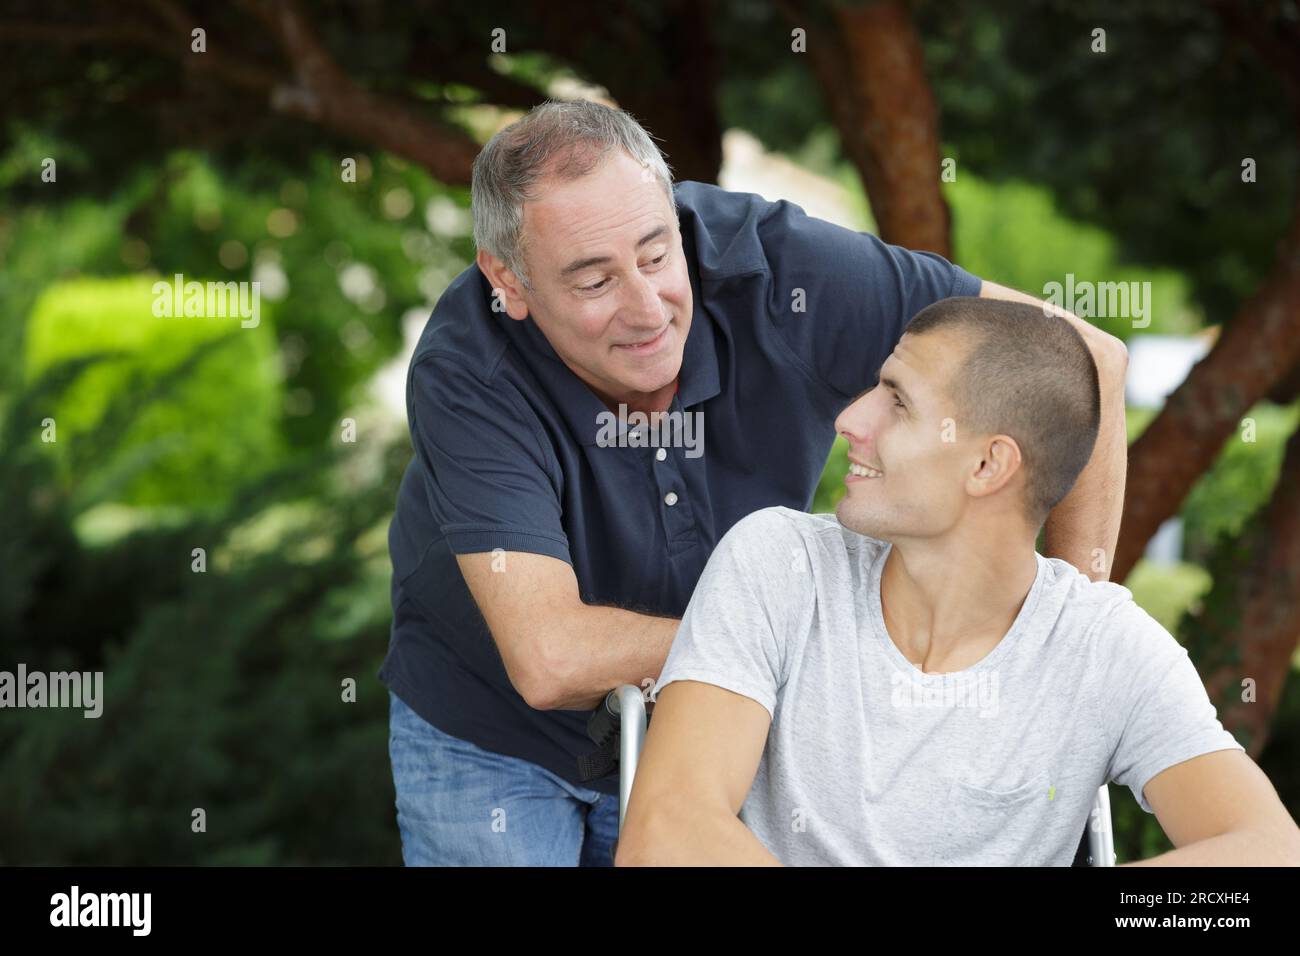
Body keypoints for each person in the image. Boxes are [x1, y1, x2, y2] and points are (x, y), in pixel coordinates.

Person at [381, 98, 1129, 866]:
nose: (646, 309)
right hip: (491, 735)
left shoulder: (786, 270)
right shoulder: (468, 370)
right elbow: (550, 659)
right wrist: (812, 658)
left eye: (655, 255)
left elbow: (1082, 359)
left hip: (713, 726)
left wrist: (1055, 643)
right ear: (509, 280)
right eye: (594, 281)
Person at [615, 298, 1300, 866]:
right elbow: (666, 831)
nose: (850, 419)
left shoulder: (1104, 649)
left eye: (897, 402)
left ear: (987, 467)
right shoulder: (779, 563)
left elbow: (1268, 851)